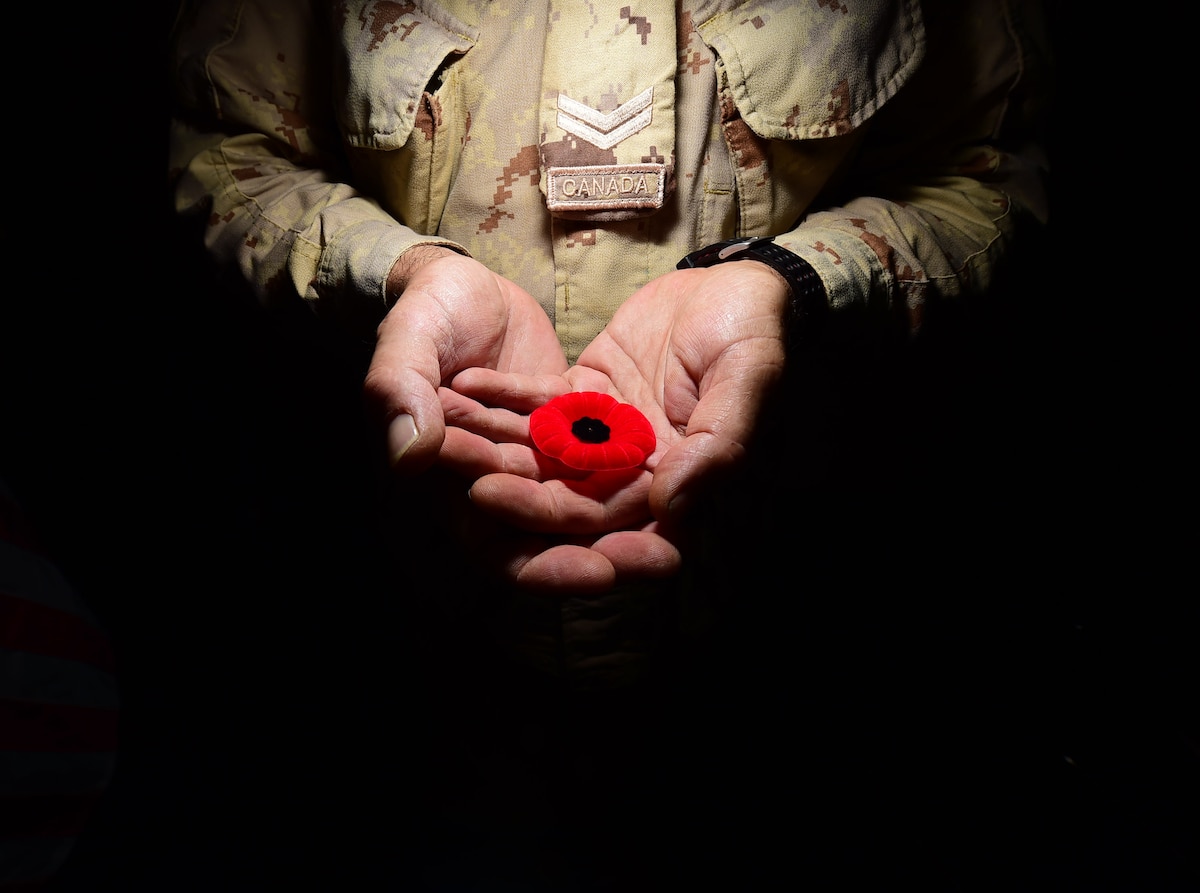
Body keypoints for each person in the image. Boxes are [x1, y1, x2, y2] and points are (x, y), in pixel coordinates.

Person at [166, 1, 1054, 888]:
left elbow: (986, 171)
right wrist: (405, 270)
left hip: (788, 624)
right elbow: (230, 151)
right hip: (404, 625)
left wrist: (793, 279)